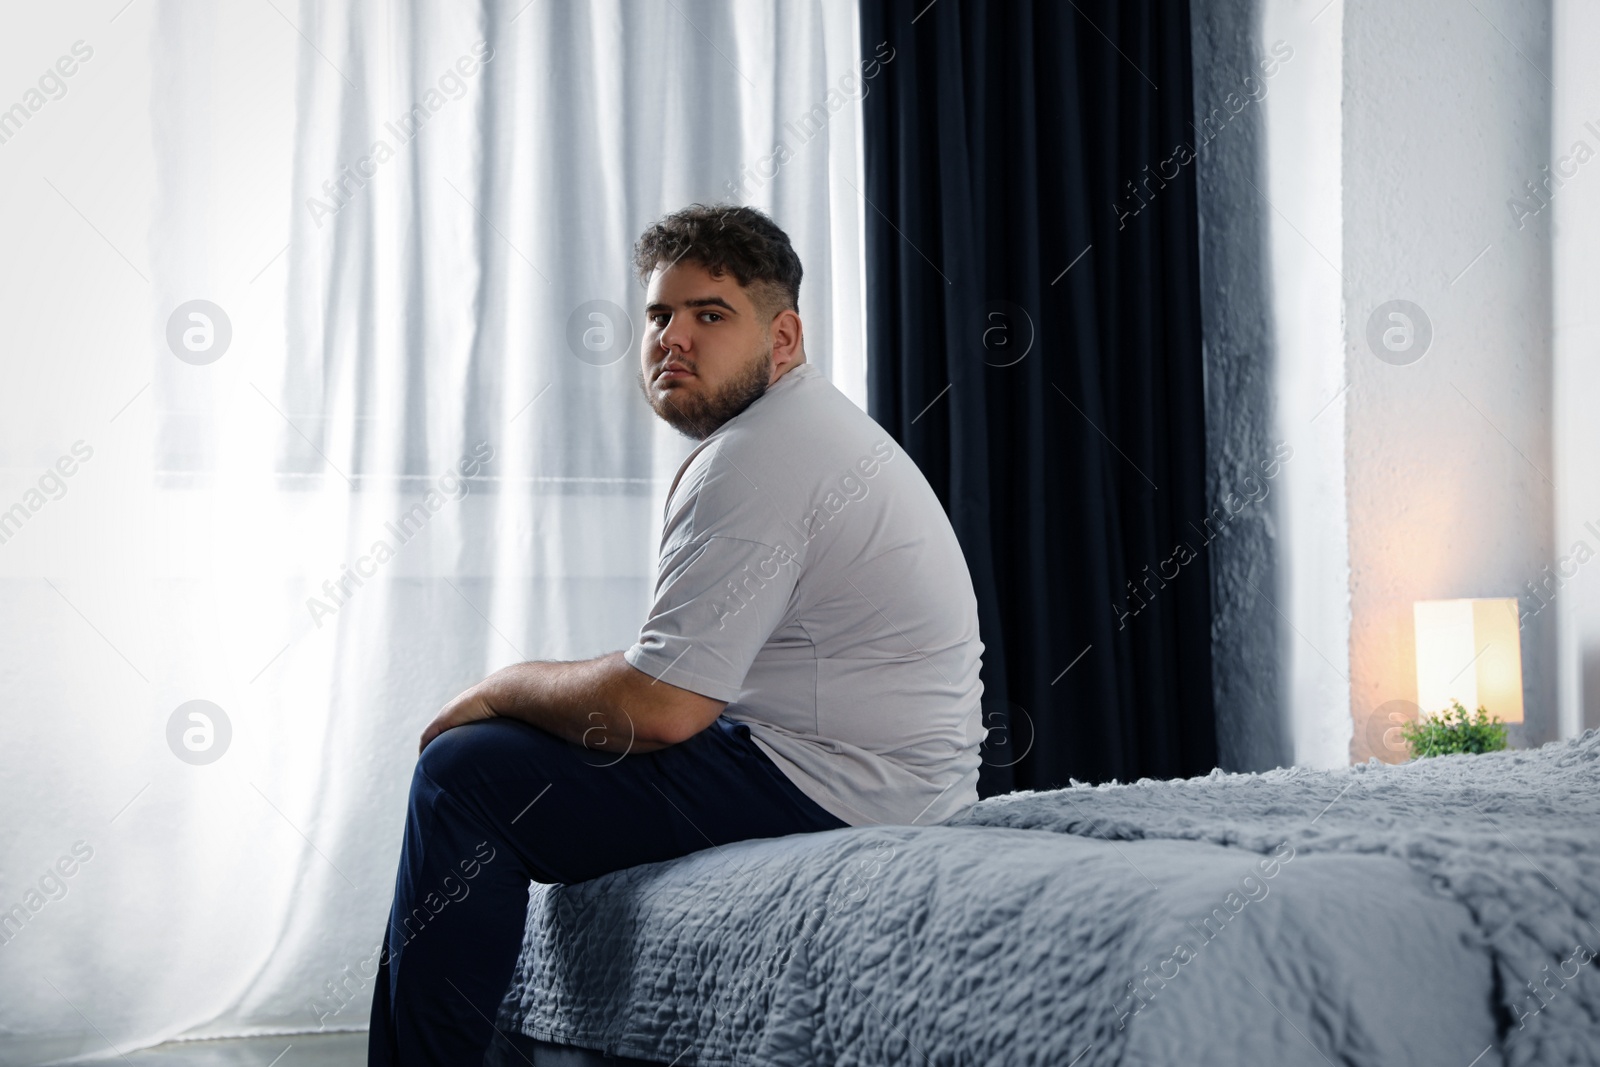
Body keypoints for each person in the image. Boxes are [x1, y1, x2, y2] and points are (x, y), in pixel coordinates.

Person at [367, 204, 986, 1064]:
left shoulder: (761, 454)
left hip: (844, 788)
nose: (672, 338)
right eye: (659, 315)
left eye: (710, 314)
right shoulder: (795, 431)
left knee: (463, 777)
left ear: (784, 337)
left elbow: (661, 707)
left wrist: (499, 687)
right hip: (861, 768)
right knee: (497, 763)